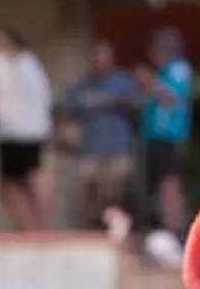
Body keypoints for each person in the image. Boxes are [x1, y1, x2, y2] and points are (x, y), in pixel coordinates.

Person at [58, 38, 144, 233]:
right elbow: (67, 112)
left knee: (115, 190)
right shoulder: (80, 85)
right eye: (96, 56)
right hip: (90, 147)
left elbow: (137, 107)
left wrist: (113, 101)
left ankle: (115, 227)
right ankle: (93, 228)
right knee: (91, 190)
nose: (99, 60)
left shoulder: (123, 82)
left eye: (104, 56)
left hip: (118, 145)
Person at [0, 25, 52, 231]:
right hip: (35, 130)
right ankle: (41, 224)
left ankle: (28, 226)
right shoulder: (31, 63)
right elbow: (45, 96)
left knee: (9, 184)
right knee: (33, 175)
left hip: (8, 131)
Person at [137, 25, 194, 239]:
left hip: (169, 136)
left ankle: (174, 227)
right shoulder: (163, 72)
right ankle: (160, 225)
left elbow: (171, 97)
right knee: (157, 184)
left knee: (169, 183)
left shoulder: (178, 69)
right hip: (153, 137)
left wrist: (148, 81)